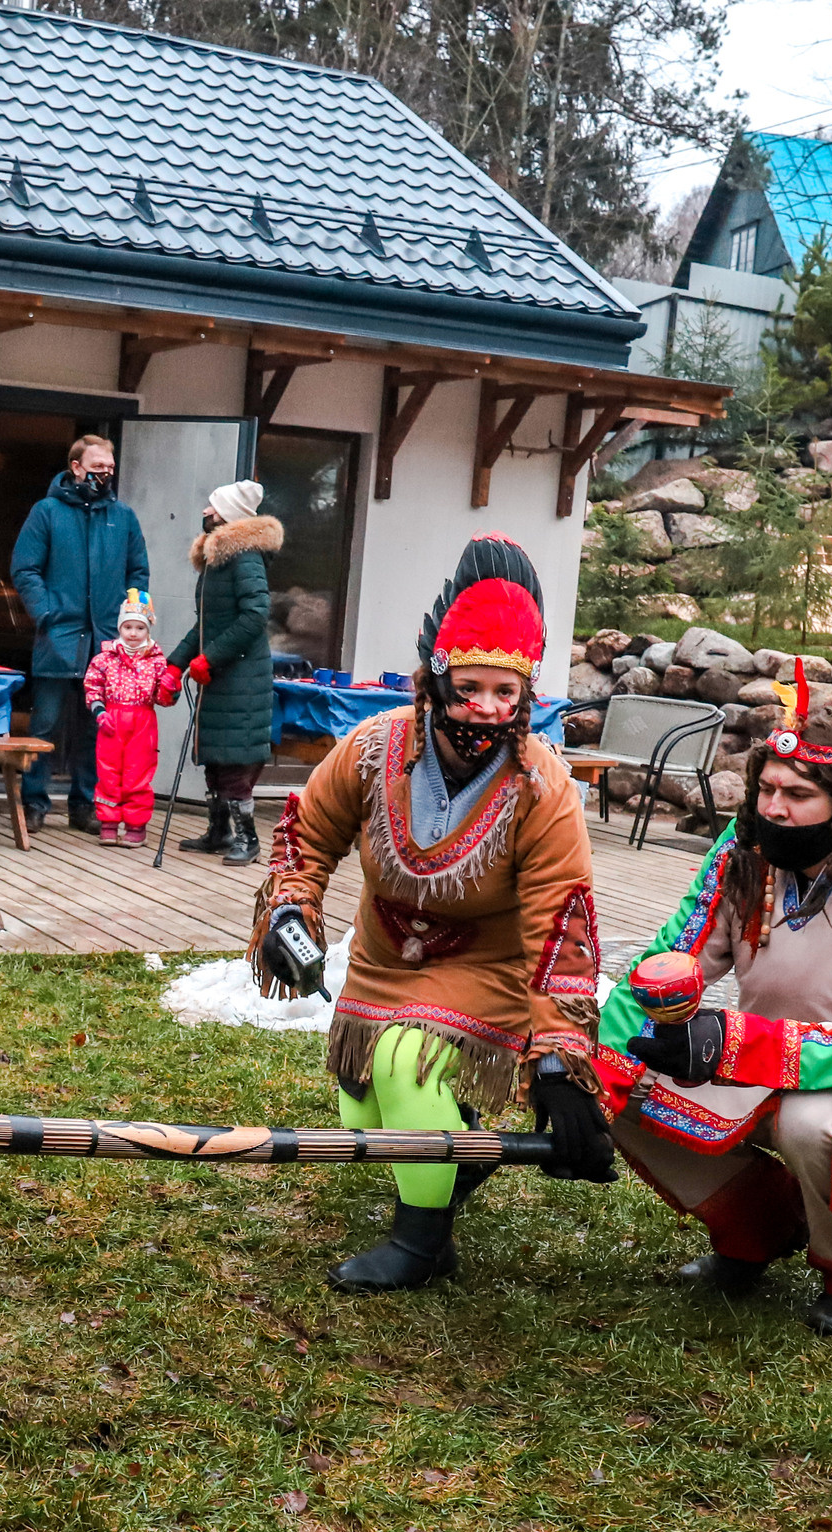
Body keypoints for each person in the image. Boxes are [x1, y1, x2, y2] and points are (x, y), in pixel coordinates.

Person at [249, 537, 613, 1292]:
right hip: (383, 960)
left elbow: (562, 922)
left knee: (400, 1061)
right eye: (472, 685)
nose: (487, 707)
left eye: (506, 692)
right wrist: (291, 907)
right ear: (436, 676)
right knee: (364, 1112)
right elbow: (306, 832)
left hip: (489, 968)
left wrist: (558, 1052)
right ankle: (459, 1155)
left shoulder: (542, 787)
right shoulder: (372, 746)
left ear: (525, 696)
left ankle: (423, 1241)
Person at [591, 674, 832, 1336]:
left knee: (812, 1125)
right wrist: (597, 1071)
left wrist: (730, 1040)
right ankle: (756, 1226)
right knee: (618, 1083)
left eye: (799, 794)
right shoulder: (742, 855)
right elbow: (662, 965)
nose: (774, 808)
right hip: (767, 1069)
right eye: (766, 788)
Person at [10, 434, 150, 835]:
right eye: (97, 467)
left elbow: (138, 573)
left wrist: (132, 621)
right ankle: (33, 803)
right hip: (60, 635)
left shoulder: (123, 517)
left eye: (109, 468)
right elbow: (25, 568)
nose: (104, 474)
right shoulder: (47, 512)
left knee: (97, 727)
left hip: (107, 640)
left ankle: (85, 805)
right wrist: (47, 612)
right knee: (45, 724)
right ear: (76, 467)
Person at [168, 481, 279, 866]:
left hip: (242, 676)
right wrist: (174, 664)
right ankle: (219, 831)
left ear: (226, 515)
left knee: (236, 759)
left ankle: (247, 839)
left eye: (211, 506)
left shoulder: (244, 558)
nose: (204, 512)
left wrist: (209, 659)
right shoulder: (219, 561)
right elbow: (205, 626)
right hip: (223, 673)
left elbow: (254, 617)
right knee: (216, 755)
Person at [82, 590, 183, 848]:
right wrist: (99, 710)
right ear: (120, 628)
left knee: (138, 773)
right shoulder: (104, 659)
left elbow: (163, 699)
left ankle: (136, 825)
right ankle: (108, 822)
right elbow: (93, 686)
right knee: (108, 772)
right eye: (128, 626)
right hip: (112, 719)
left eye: (140, 627)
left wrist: (171, 687)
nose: (133, 633)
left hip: (142, 721)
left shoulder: (157, 662)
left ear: (148, 630)